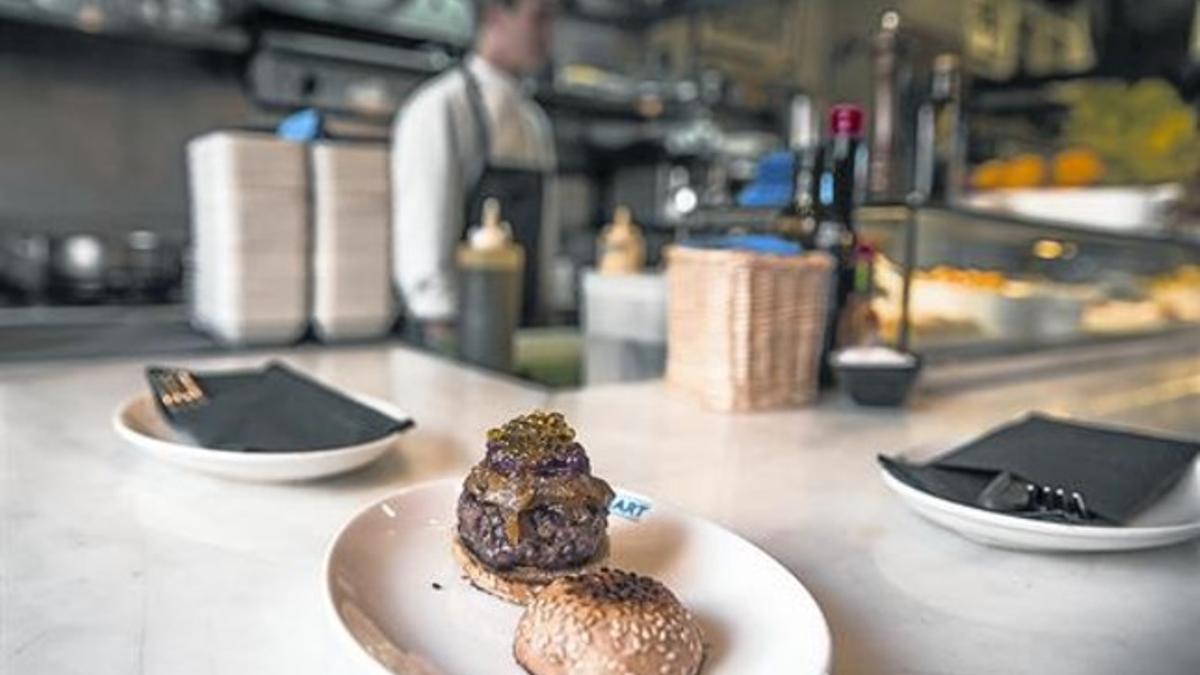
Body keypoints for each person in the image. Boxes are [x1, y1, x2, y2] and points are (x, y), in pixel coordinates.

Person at [391, 0, 559, 348]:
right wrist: (444, 328)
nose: (549, 36)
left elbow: (544, 236)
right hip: (454, 335)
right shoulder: (441, 107)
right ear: (496, 15)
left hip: (524, 332)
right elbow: (424, 239)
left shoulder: (534, 120)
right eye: (539, 19)